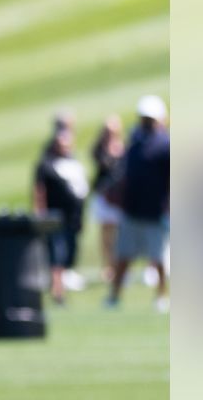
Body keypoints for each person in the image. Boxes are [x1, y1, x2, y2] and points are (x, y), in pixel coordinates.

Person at [106, 95, 170, 312]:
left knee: (158, 258)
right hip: (132, 210)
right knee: (123, 257)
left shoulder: (165, 145)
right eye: (144, 118)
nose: (147, 122)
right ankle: (114, 297)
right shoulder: (134, 143)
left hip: (154, 211)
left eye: (150, 119)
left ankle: (161, 297)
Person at [33, 126, 89, 305]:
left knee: (68, 254)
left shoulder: (73, 163)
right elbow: (39, 191)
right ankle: (58, 292)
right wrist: (40, 212)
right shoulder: (46, 164)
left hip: (73, 217)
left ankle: (57, 286)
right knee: (57, 253)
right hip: (54, 217)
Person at [88, 114, 126, 281]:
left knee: (119, 234)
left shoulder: (122, 147)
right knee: (106, 235)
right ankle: (107, 267)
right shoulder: (100, 148)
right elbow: (100, 161)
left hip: (117, 196)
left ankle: (117, 266)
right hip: (104, 196)